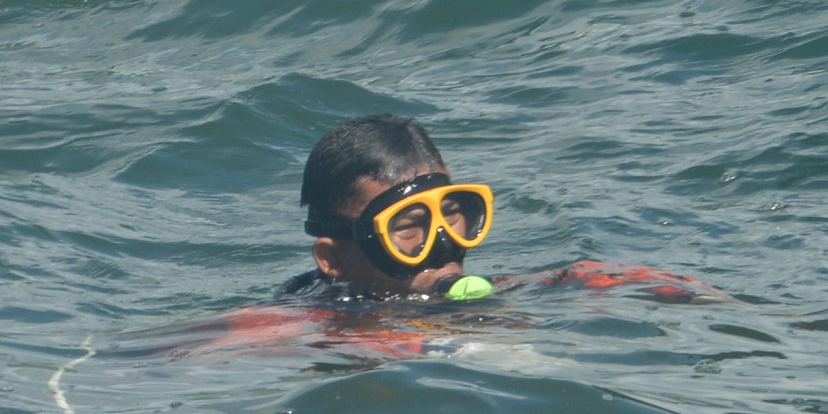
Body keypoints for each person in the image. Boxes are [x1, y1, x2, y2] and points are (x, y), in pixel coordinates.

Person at [277, 112, 706, 310]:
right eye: (408, 228)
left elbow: (577, 280)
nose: (444, 245)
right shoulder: (306, 328)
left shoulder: (465, 291)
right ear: (333, 259)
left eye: (454, 214)